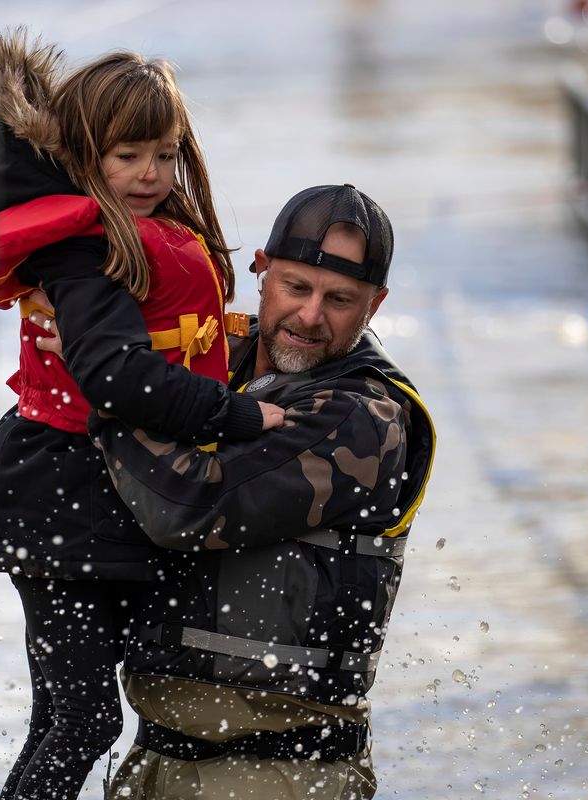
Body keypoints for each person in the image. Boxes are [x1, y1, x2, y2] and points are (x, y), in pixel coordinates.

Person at [0, 29, 283, 800]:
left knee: (64, 715)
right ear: (84, 157)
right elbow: (117, 377)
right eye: (127, 156)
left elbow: (177, 341)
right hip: (57, 492)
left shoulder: (132, 234)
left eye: (165, 154)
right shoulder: (81, 250)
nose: (151, 174)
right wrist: (240, 419)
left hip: (92, 494)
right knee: (83, 722)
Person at [82, 184, 438, 799]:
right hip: (156, 756)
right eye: (296, 288)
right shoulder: (220, 356)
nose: (310, 316)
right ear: (261, 270)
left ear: (374, 306)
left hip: (279, 774)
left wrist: (106, 390)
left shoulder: (363, 416)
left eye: (341, 300)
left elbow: (185, 507)